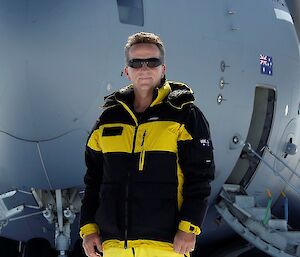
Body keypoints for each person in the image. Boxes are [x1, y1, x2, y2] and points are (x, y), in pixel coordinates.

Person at [79, 32, 215, 257]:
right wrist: (88, 228)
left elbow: (200, 177)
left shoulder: (184, 115)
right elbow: (93, 179)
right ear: (127, 70)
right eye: (136, 63)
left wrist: (189, 227)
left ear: (163, 68)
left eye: (153, 62)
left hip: (166, 245)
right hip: (114, 247)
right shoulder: (107, 120)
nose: (144, 68)